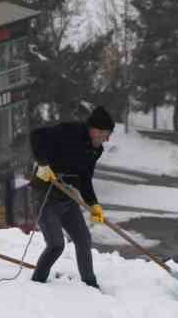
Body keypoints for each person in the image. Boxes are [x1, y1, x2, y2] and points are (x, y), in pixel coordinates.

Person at [29, 105, 114, 288]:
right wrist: (42, 164)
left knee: (83, 240)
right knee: (56, 245)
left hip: (67, 197)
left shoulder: (95, 150)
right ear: (94, 130)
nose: (107, 139)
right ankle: (37, 283)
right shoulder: (69, 131)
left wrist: (94, 205)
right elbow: (36, 135)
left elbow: (85, 179)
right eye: (105, 133)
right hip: (44, 194)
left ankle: (90, 285)